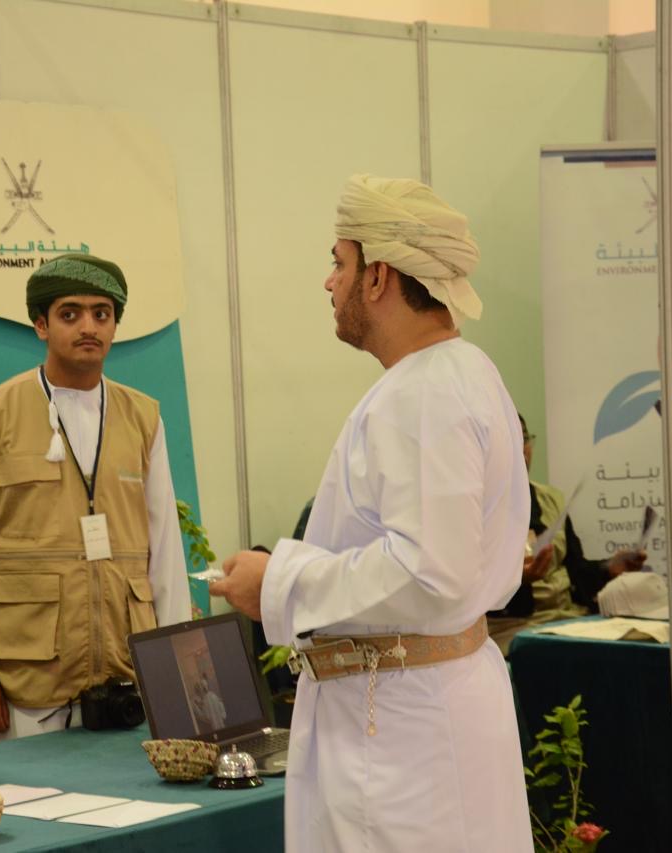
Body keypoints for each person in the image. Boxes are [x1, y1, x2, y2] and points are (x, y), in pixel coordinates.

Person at [210, 175, 532, 851]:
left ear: (378, 276)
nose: (329, 281)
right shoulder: (461, 373)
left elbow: (428, 570)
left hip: (403, 740)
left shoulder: (424, 393)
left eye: (340, 262)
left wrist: (278, 582)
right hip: (420, 712)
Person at [0, 253, 191, 741]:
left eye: (102, 314)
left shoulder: (144, 418)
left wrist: (174, 666)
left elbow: (165, 550)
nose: (89, 327)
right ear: (41, 325)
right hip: (28, 684)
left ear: (115, 325)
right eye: (70, 314)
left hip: (128, 676)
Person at [487, 413, 647, 652]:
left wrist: (609, 568)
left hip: (567, 620)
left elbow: (575, 570)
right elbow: (468, 592)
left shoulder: (551, 499)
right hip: (514, 628)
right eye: (511, 440)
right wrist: (515, 579)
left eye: (524, 439)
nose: (521, 450)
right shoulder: (477, 510)